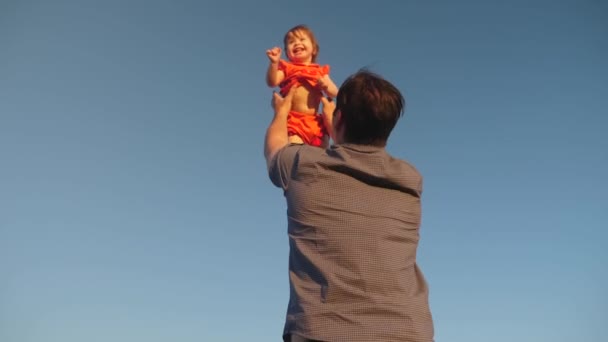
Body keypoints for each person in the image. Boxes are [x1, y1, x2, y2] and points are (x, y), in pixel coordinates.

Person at [264, 70, 434, 342]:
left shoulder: (302, 165)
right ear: (387, 128)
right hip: (407, 332)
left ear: (339, 118)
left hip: (323, 332)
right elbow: (352, 151)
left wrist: (281, 111)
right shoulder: (410, 181)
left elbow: (274, 147)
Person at [266, 25, 339, 148]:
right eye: (291, 42)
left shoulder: (320, 71)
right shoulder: (287, 68)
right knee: (296, 151)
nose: (296, 43)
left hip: (316, 122)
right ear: (287, 53)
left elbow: (335, 92)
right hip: (294, 120)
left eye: (301, 39)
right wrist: (274, 64)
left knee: (320, 155)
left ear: (314, 49)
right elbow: (272, 82)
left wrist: (326, 86)